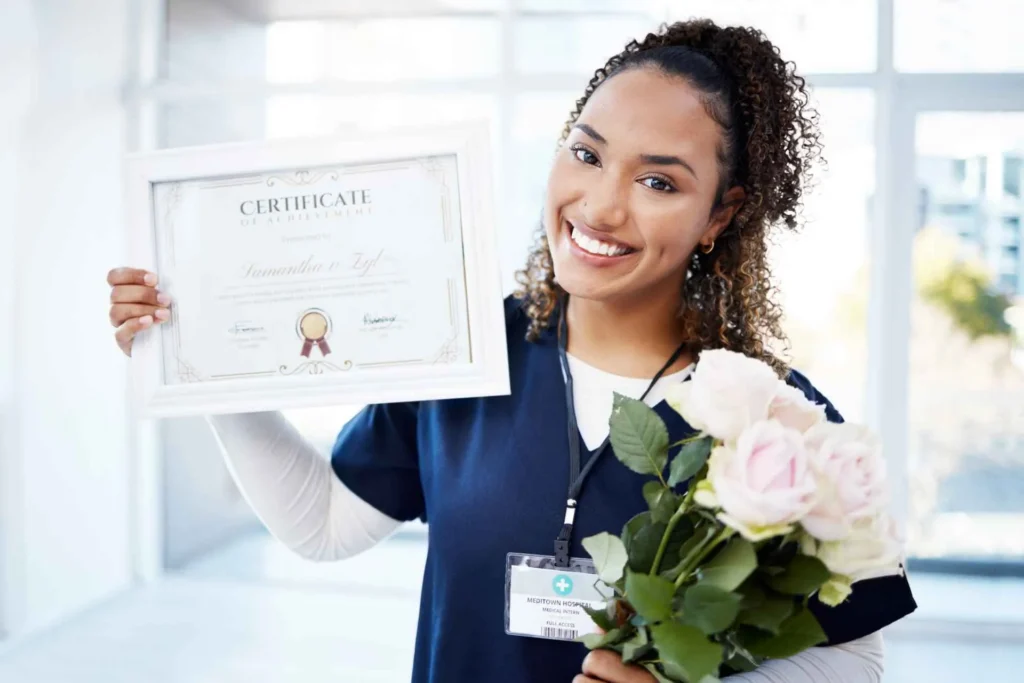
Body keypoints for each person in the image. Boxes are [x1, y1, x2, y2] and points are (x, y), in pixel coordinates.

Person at [106, 18, 916, 683]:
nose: (599, 206)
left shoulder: (768, 418)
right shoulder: (463, 346)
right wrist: (202, 357)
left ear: (720, 213)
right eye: (587, 152)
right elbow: (322, 523)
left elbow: (854, 654)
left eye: (658, 182)